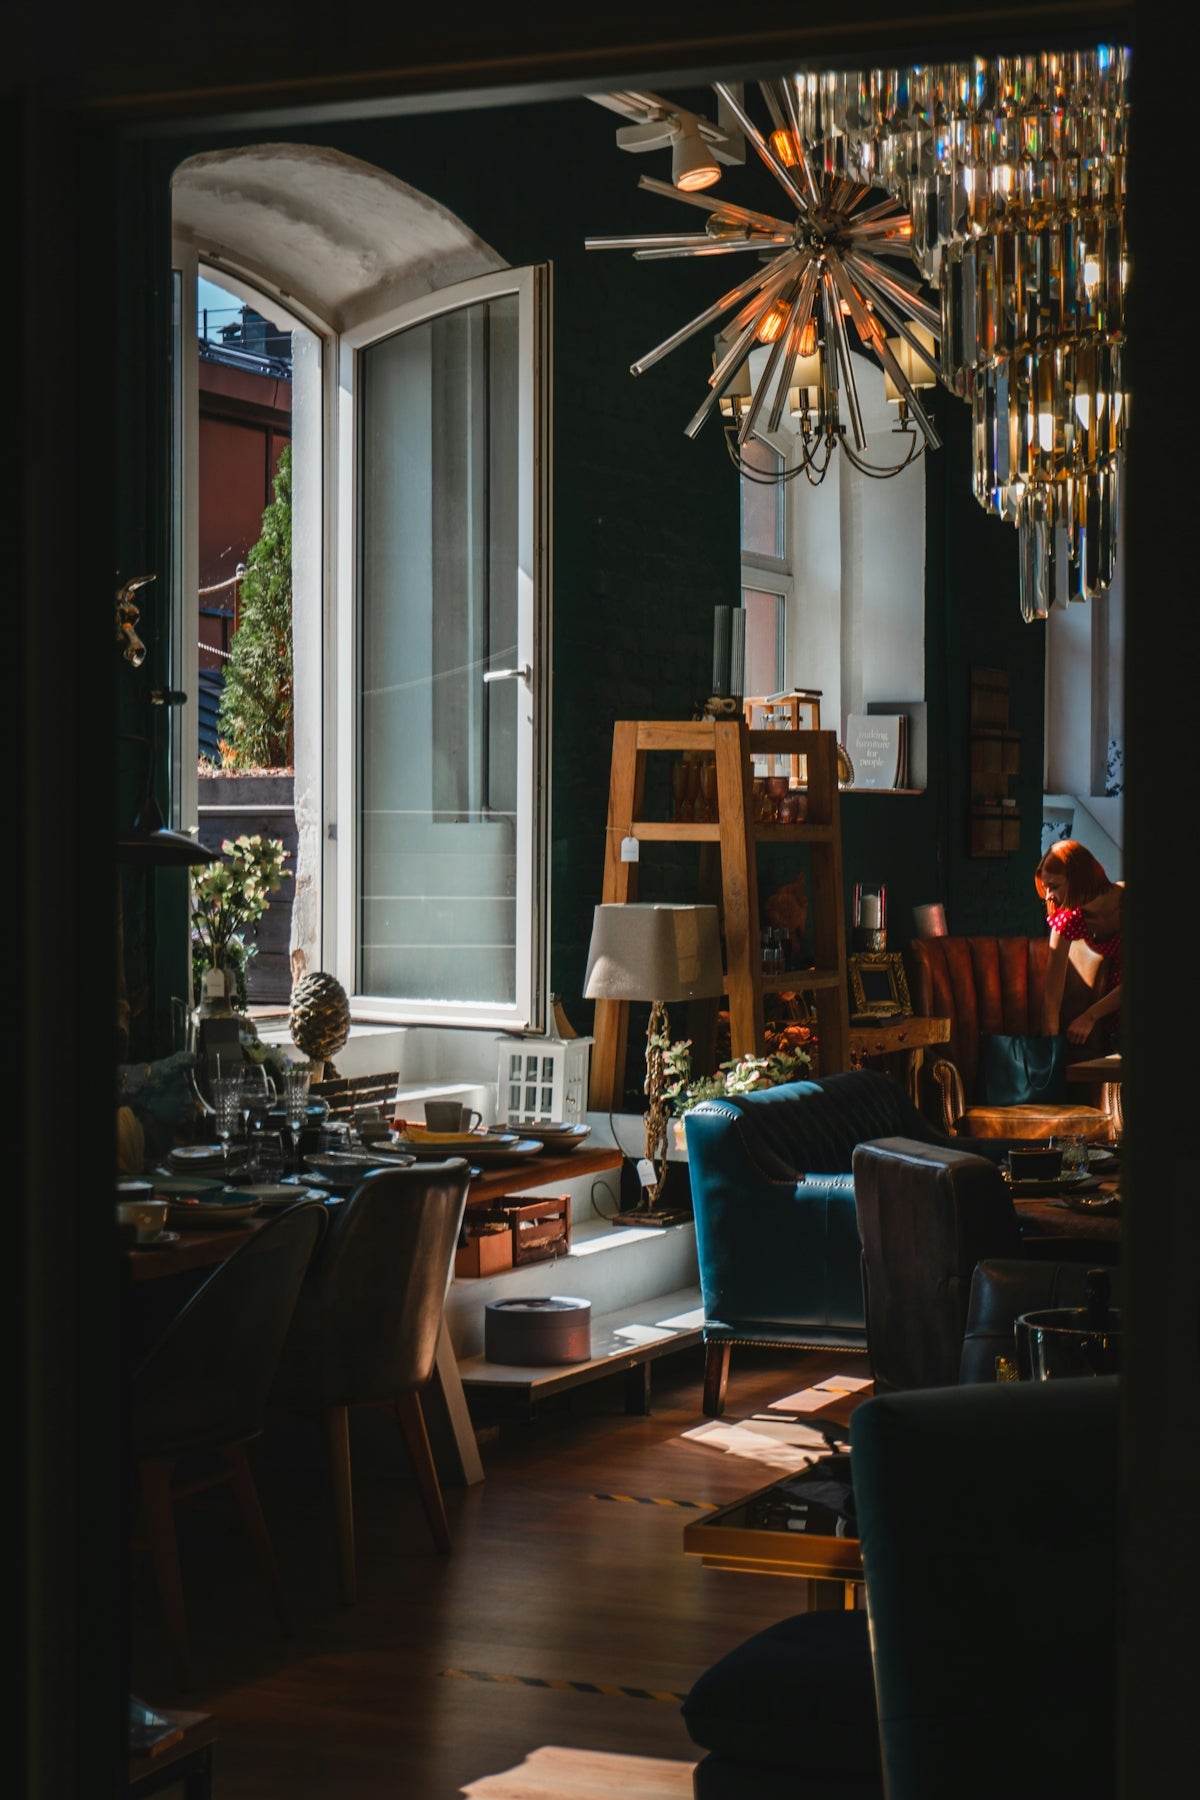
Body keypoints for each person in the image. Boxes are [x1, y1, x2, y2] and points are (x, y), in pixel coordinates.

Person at [1034, 839, 1123, 1045]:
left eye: (1054, 887)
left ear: (1079, 879)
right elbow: (1051, 999)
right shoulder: (1068, 918)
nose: (1048, 896)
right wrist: (1051, 1055)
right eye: (1046, 888)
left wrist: (1090, 1016)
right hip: (1108, 1011)